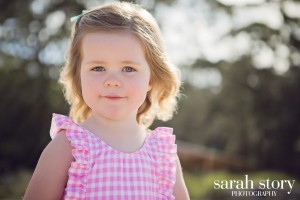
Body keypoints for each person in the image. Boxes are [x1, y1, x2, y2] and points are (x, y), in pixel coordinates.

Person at [24, 1, 189, 199]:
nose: (112, 81)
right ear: (79, 76)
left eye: (128, 69)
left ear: (151, 79)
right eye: (98, 68)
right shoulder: (68, 147)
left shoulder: (162, 154)